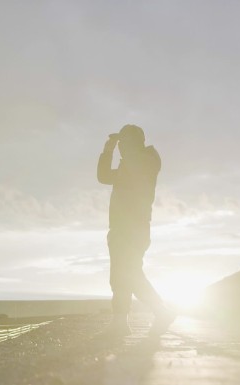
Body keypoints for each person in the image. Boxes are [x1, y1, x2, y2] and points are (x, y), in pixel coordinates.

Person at [97, 124, 174, 336]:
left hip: (134, 228)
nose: (122, 146)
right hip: (121, 227)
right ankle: (157, 312)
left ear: (136, 142)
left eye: (125, 141)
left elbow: (135, 167)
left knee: (125, 274)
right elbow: (103, 176)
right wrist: (108, 150)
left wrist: (124, 149)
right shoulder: (129, 164)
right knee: (126, 274)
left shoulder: (147, 160)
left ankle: (122, 321)